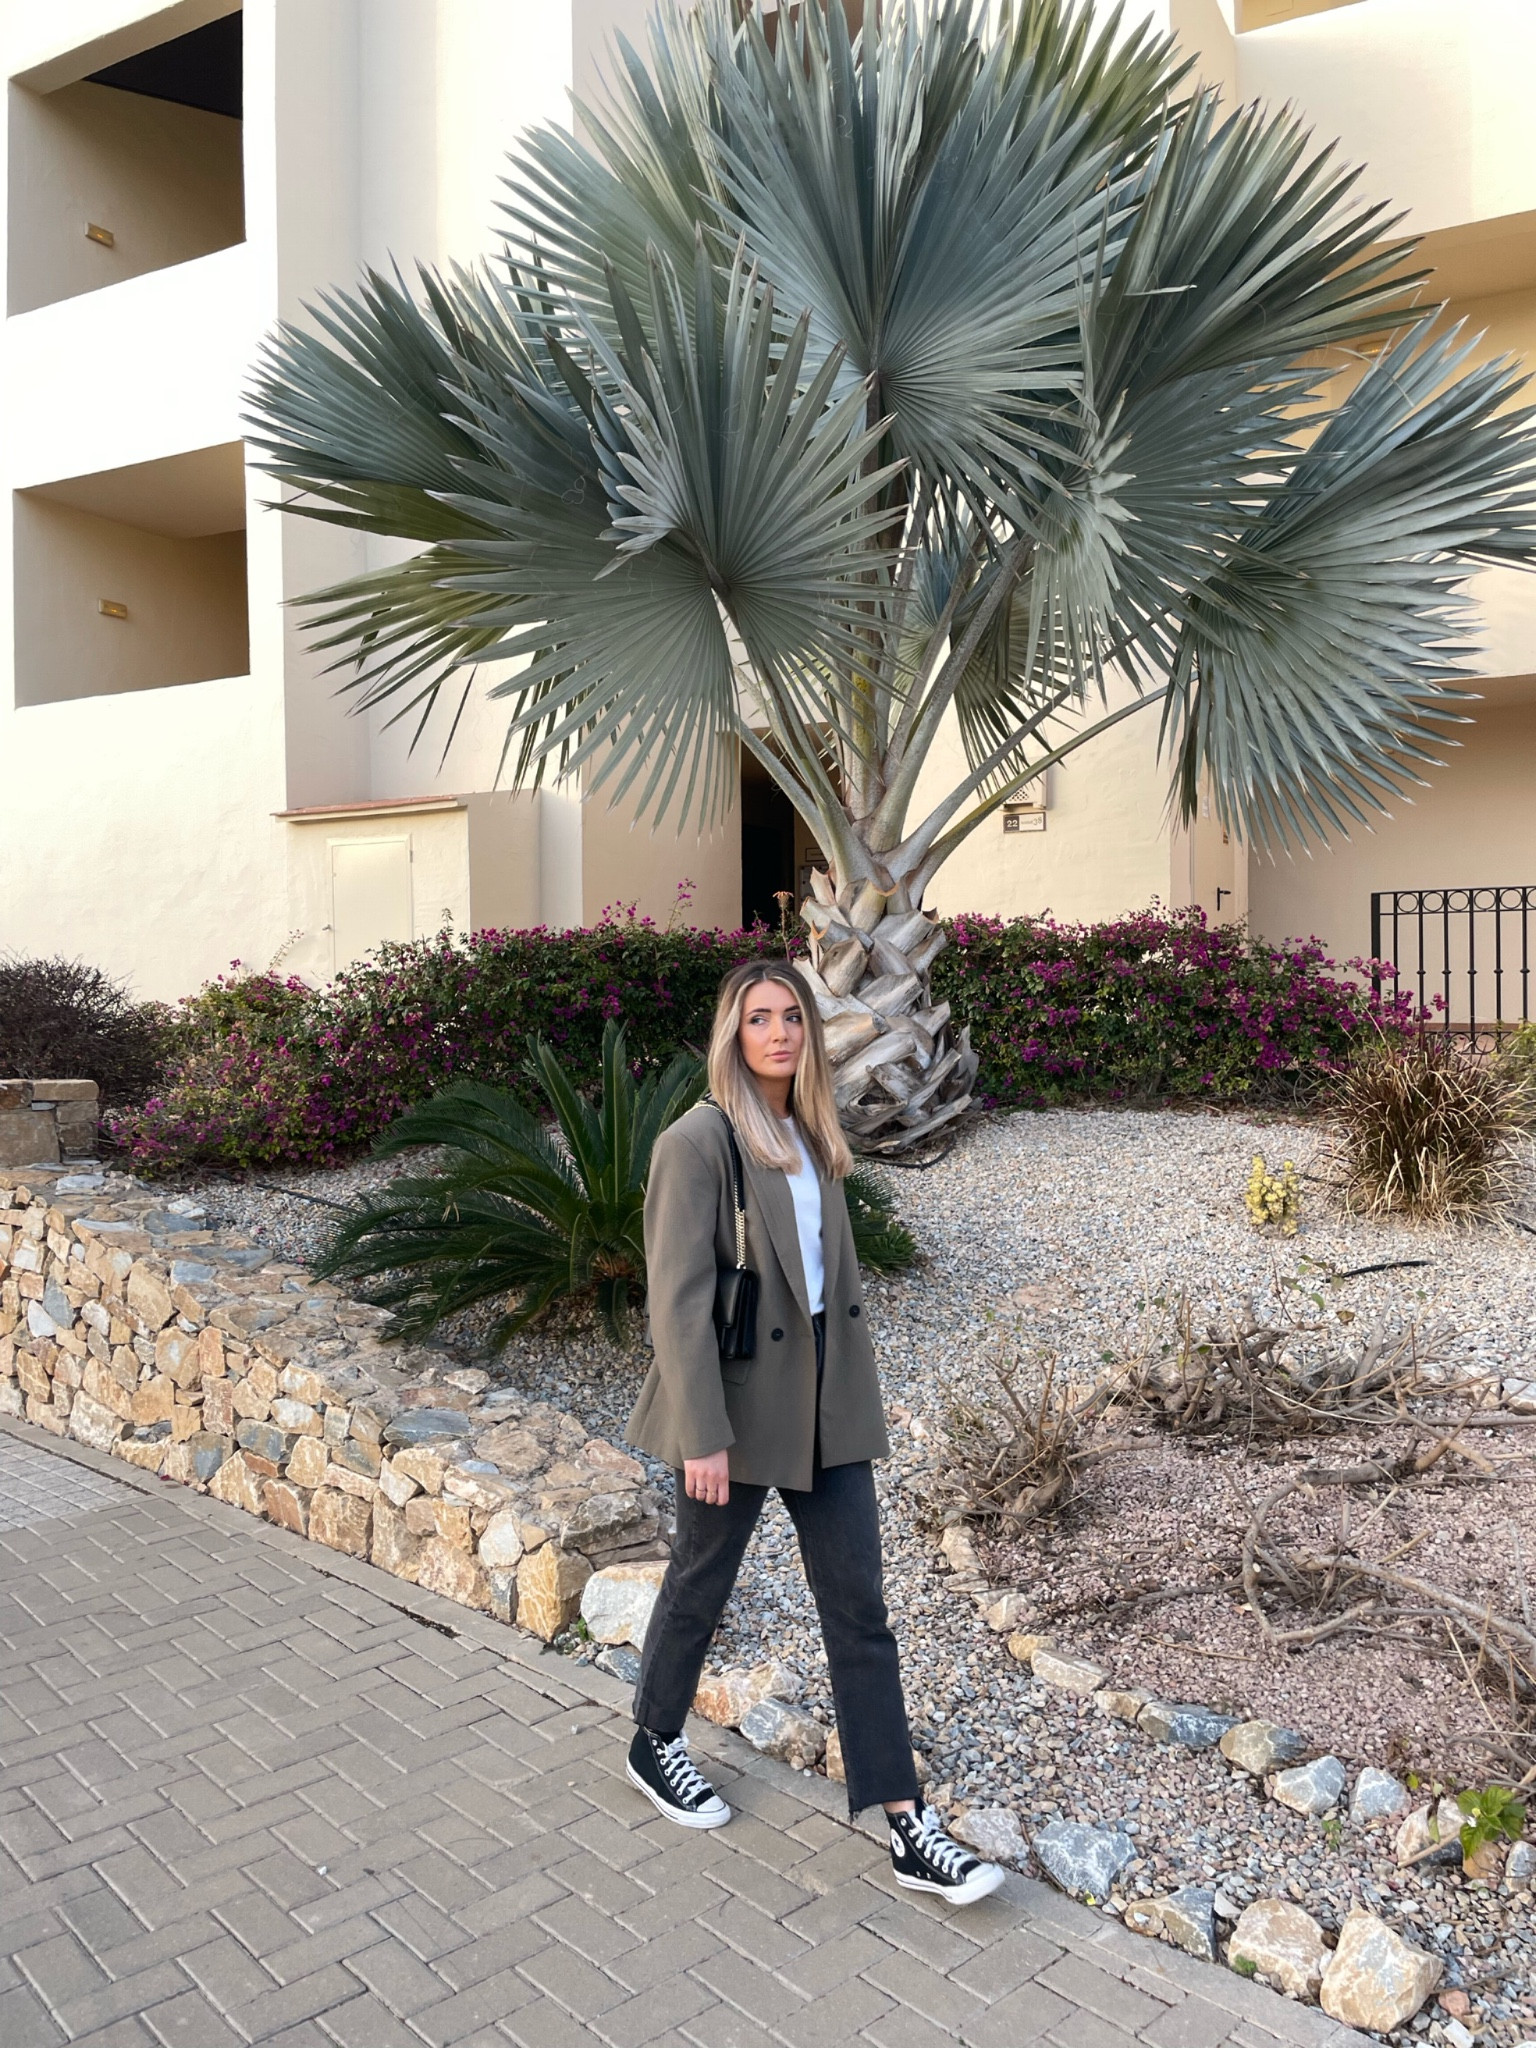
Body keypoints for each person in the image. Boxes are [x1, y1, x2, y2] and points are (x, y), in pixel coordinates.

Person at [623, 959, 1004, 1905]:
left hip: (829, 1411)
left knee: (859, 1608)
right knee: (701, 1579)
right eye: (759, 1018)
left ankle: (907, 1824)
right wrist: (702, 1433)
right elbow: (675, 1302)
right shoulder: (699, 1142)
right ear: (732, 1034)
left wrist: (866, 1401)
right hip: (740, 1413)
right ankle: (653, 1738)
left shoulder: (816, 1135)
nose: (780, 1033)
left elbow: (835, 1292)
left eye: (792, 1015)